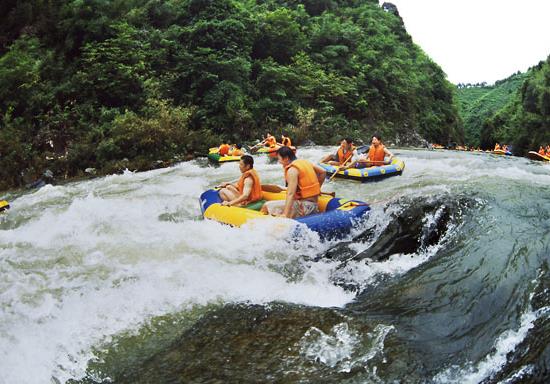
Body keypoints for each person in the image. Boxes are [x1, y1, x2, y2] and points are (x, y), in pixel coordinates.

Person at [261, 146, 326, 218]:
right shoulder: (305, 162)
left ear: (286, 158)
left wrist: (285, 214)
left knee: (266, 206)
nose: (279, 162)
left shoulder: (292, 170)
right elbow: (323, 172)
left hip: (304, 207)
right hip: (313, 204)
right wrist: (318, 188)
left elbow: (290, 194)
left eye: (279, 159)